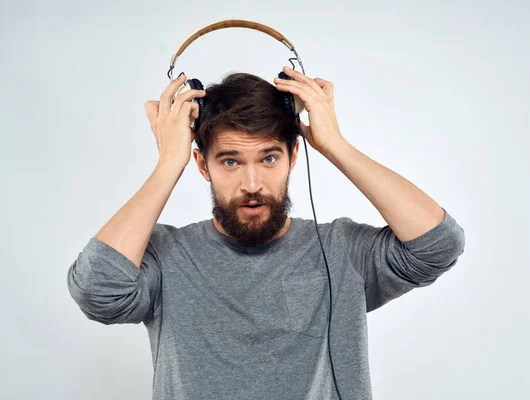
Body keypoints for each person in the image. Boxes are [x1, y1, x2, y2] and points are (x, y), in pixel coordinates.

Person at [66, 66, 466, 400]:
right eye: (230, 161)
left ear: (293, 157)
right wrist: (168, 164)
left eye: (269, 157)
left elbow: (439, 244)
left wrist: (335, 144)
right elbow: (97, 291)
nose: (252, 183)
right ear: (203, 167)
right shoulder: (166, 255)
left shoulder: (341, 251)